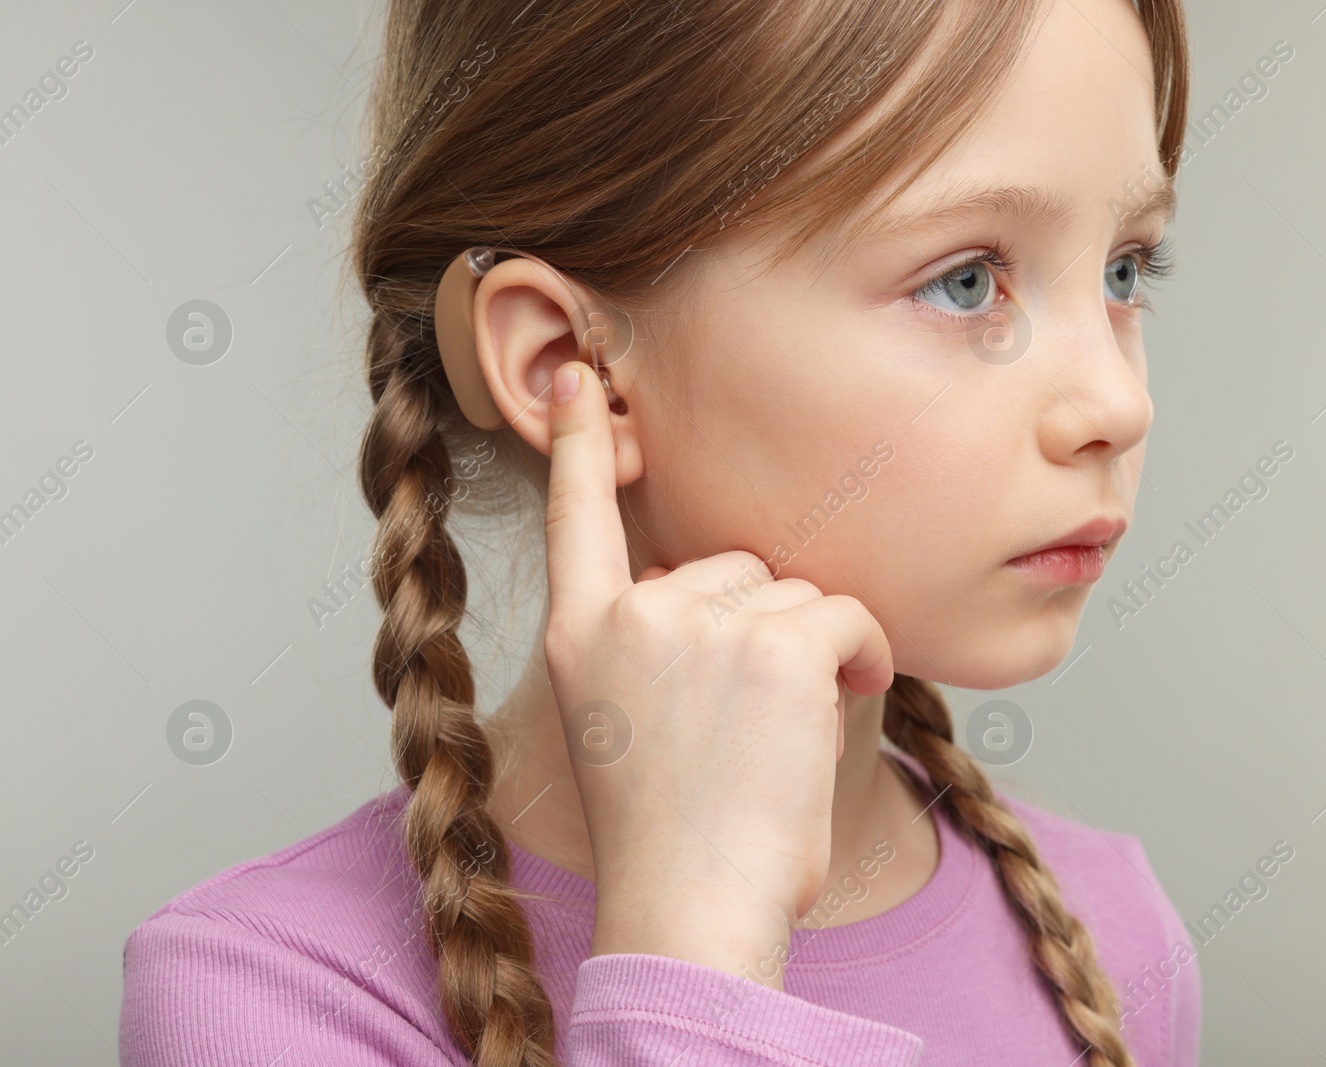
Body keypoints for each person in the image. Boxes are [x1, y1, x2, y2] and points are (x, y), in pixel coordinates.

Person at [120, 0, 1199, 1063]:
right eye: (965, 282)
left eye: (1124, 270)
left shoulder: (1114, 937)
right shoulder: (265, 995)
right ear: (569, 369)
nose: (1115, 402)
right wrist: (695, 960)